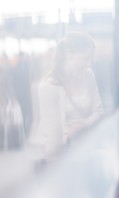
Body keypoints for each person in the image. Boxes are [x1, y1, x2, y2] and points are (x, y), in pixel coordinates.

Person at [36, 32, 103, 162]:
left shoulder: (88, 75)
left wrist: (83, 125)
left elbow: (99, 111)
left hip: (88, 148)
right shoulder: (49, 85)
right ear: (69, 54)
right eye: (85, 58)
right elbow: (52, 135)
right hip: (64, 155)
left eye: (90, 59)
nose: (88, 64)